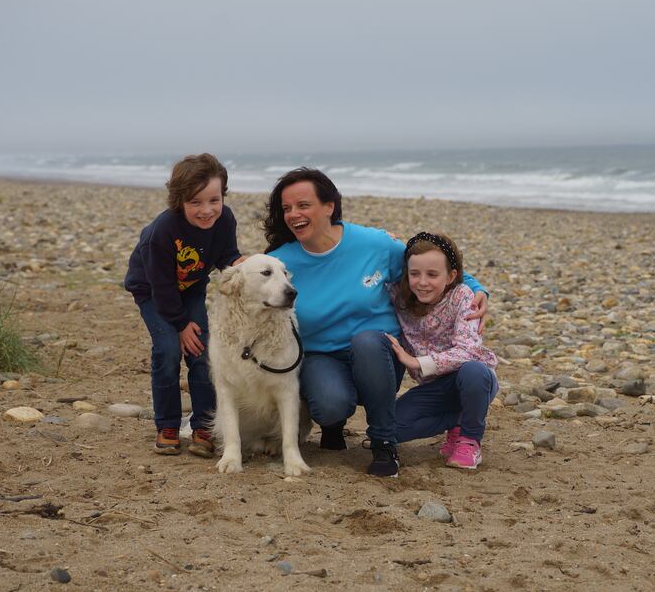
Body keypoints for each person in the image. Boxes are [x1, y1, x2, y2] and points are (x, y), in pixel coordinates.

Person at [264, 168, 488, 477]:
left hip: (378, 355)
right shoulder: (279, 260)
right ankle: (333, 422)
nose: (293, 214)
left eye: (303, 205)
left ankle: (384, 442)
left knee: (367, 340)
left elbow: (433, 263)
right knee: (330, 405)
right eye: (286, 208)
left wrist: (476, 289)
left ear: (329, 206)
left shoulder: (374, 244)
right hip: (320, 355)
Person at [125, 153, 243, 457]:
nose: (207, 211)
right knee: (168, 350)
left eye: (214, 200)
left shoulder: (225, 218)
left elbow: (225, 255)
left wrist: (242, 264)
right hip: (152, 291)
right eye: (196, 202)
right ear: (179, 201)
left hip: (190, 288)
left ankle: (203, 424)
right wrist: (179, 324)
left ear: (222, 196)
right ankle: (167, 424)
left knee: (201, 352)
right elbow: (161, 286)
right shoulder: (162, 232)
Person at [387, 232, 498, 470]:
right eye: (414, 274)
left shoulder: (462, 296)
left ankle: (470, 439)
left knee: (473, 372)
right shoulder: (401, 298)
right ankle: (459, 419)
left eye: (433, 275)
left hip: (473, 380)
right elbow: (370, 276)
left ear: (451, 276)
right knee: (389, 428)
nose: (423, 282)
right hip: (435, 388)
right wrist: (384, 240)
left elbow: (468, 351)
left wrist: (417, 363)